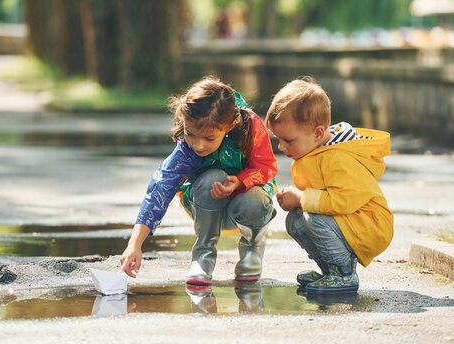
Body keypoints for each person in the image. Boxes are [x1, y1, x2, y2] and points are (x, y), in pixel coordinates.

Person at [120, 77, 278, 285]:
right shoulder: (188, 146)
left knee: (254, 198)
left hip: (247, 207)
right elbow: (160, 187)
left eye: (209, 138)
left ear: (230, 125)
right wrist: (135, 244)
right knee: (211, 178)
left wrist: (239, 182)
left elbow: (266, 167)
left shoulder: (250, 126)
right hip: (207, 209)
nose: (198, 145)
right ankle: (203, 257)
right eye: (190, 134)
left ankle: (252, 251)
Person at [265, 77, 393, 294]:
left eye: (288, 140)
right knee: (295, 219)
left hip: (369, 224)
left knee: (312, 216)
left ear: (317, 134)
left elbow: (342, 200)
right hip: (349, 221)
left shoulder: (338, 159)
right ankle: (329, 270)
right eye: (278, 139)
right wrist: (297, 199)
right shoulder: (313, 151)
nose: (280, 146)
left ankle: (343, 274)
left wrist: (301, 197)